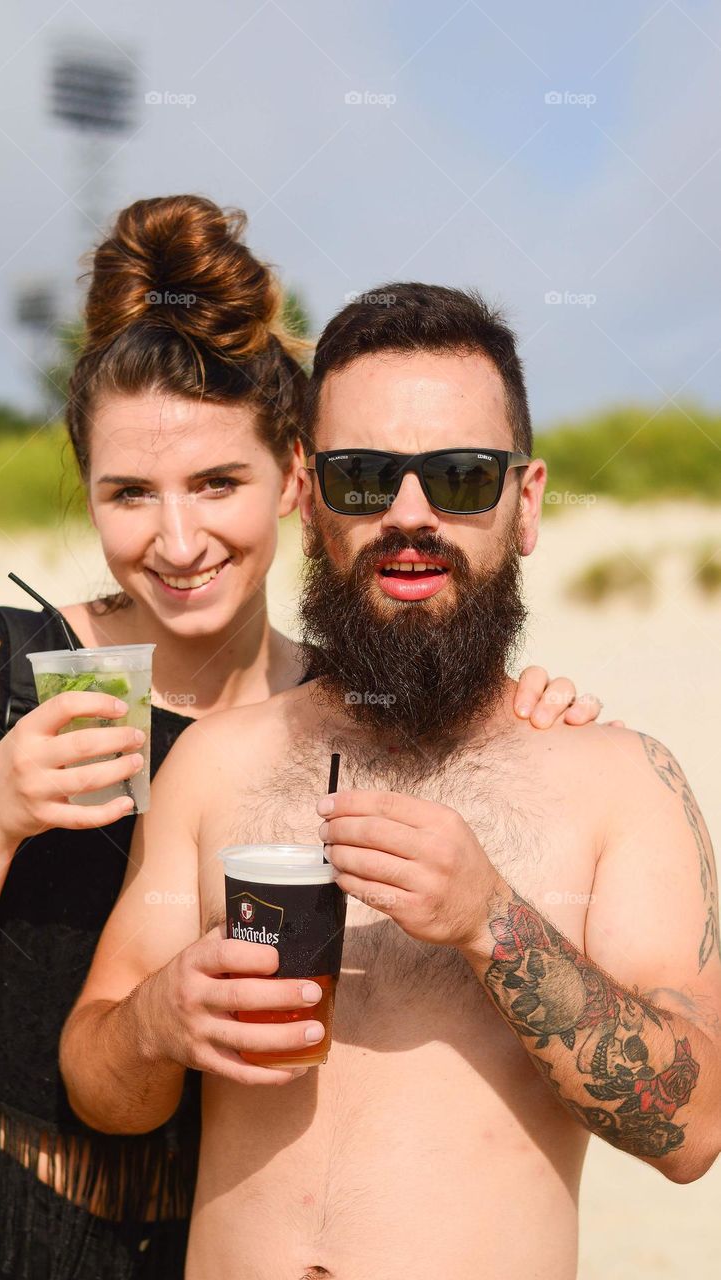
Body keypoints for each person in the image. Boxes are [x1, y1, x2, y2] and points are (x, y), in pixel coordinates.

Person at [0, 203, 596, 1280]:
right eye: (128, 494)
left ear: (296, 481)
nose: (176, 541)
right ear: (91, 497)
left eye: (217, 483)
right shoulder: (3, 663)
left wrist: (532, 715)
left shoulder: (344, 712)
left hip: (185, 1249)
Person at [61, 283, 721, 1280]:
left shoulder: (619, 782)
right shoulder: (218, 760)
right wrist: (159, 1017)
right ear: (309, 489)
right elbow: (99, 1079)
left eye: (459, 475)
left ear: (525, 499)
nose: (410, 516)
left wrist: (489, 917)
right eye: (365, 478)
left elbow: (690, 1128)